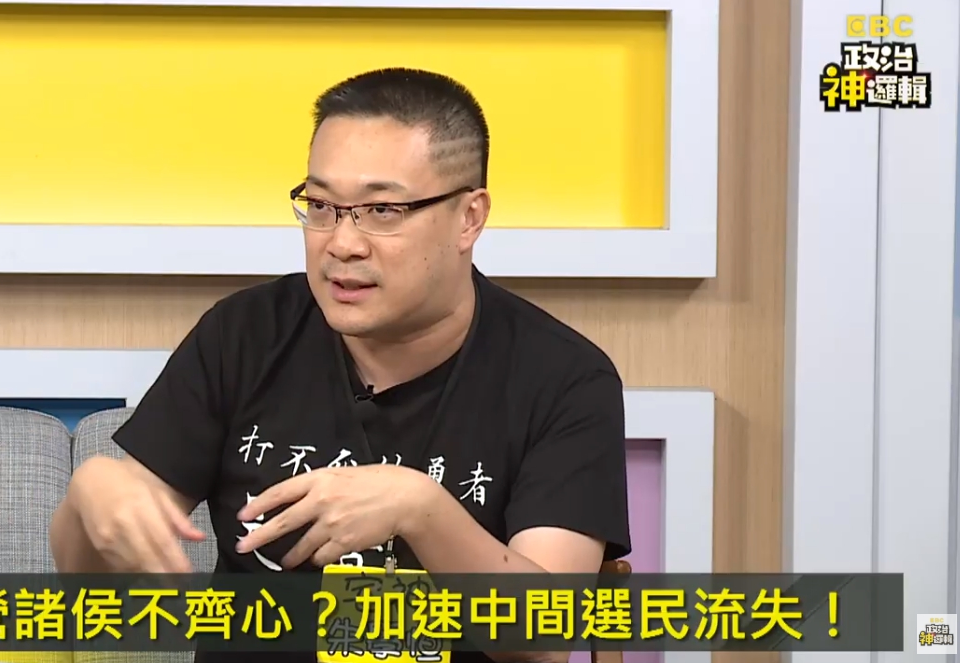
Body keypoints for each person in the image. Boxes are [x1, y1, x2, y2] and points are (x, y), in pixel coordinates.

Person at [49, 67, 631, 662]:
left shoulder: (564, 379)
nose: (342, 243)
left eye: (382, 210)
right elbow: (89, 581)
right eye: (321, 205)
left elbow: (544, 638)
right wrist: (87, 501)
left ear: (469, 218)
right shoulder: (245, 335)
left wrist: (420, 508)